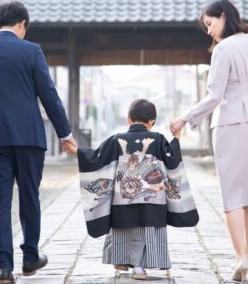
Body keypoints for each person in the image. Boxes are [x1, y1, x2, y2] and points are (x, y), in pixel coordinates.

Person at [0, 1, 76, 284]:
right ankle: (30, 257)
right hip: (29, 138)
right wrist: (65, 133)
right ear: (22, 23)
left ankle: (3, 268)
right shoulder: (31, 51)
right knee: (29, 195)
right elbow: (49, 94)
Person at [170, 0, 248, 282]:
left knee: (231, 193)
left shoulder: (223, 50)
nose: (209, 31)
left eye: (210, 23)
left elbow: (215, 95)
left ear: (223, 16)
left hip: (231, 122)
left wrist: (186, 118)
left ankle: (240, 257)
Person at [64, 99, 199, 280]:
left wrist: (76, 151)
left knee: (123, 230)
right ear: (152, 121)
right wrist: (177, 136)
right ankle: (140, 267)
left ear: (128, 120)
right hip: (152, 202)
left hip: (123, 201)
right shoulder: (158, 139)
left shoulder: (115, 140)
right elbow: (173, 160)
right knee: (146, 231)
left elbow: (95, 157)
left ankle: (125, 261)